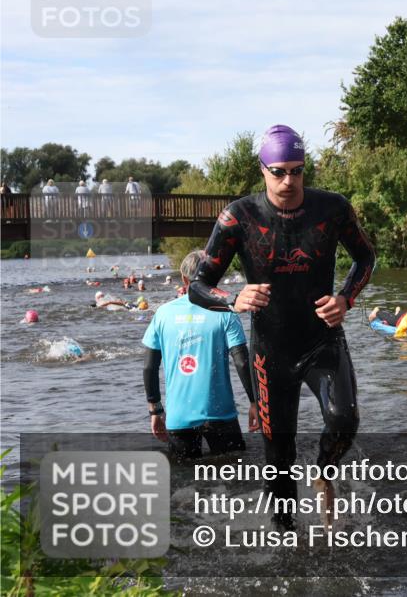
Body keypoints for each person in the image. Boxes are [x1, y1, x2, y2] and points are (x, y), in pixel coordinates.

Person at [188, 124, 376, 530]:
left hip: (322, 340)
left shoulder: (333, 208)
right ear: (262, 170)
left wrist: (345, 299)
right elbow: (198, 287)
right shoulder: (239, 216)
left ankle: (324, 473)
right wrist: (233, 300)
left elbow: (366, 257)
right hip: (271, 350)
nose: (288, 180)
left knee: (345, 421)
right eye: (278, 172)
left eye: (297, 170)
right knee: (279, 455)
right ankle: (287, 539)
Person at [143, 250, 257, 459]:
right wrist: (254, 402)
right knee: (238, 482)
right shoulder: (225, 312)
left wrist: (155, 410)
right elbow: (241, 361)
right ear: (214, 277)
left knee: (184, 484)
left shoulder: (162, 313)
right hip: (220, 414)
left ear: (184, 279)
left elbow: (149, 366)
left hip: (179, 418)